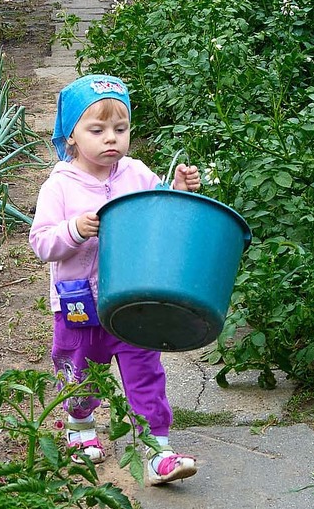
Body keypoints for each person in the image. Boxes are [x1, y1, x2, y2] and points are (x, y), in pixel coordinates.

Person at [29, 74, 202, 485]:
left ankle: (158, 448)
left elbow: (159, 211)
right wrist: (76, 229)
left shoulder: (135, 173)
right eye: (98, 130)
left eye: (120, 129)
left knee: (145, 371)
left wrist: (176, 189)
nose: (112, 139)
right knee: (81, 370)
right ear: (70, 136)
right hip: (79, 302)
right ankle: (81, 426)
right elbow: (41, 242)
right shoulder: (60, 186)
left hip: (133, 300)